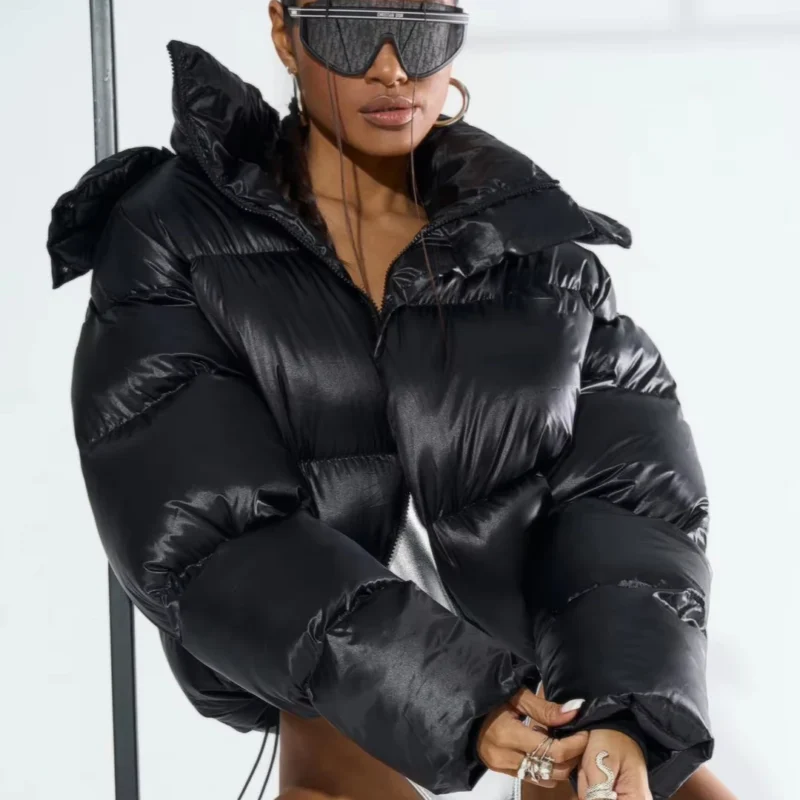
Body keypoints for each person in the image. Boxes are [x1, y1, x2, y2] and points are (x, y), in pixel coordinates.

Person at [46, 2, 737, 799]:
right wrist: (456, 697)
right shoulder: (175, 234)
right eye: (351, 25)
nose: (393, 67)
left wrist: (624, 706)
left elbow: (627, 501)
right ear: (285, 30)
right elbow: (207, 526)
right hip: (345, 703)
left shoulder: (535, 249)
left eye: (423, 27)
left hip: (554, 697)